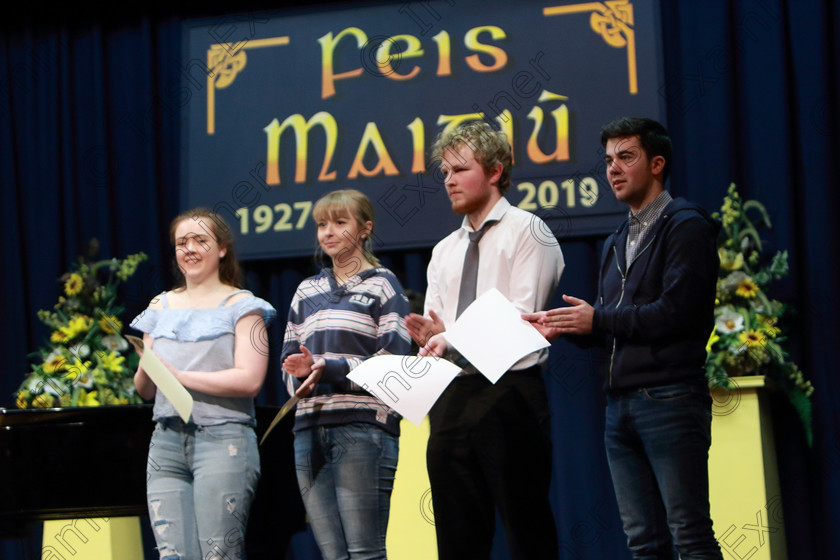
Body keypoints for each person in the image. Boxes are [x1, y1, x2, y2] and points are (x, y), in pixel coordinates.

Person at [523, 117, 724, 559]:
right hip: (619, 406)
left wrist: (598, 321)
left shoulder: (686, 225)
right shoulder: (616, 239)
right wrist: (569, 327)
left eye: (626, 157)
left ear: (657, 163)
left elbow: (677, 313)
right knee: (642, 541)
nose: (613, 169)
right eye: (609, 160)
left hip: (670, 397)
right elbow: (612, 326)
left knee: (689, 533)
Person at [407, 121, 564, 560]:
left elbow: (523, 316)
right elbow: (443, 328)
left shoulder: (528, 231)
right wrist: (434, 337)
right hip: (454, 394)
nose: (449, 181)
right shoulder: (444, 250)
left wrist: (450, 336)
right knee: (457, 535)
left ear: (495, 171)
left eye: (460, 169)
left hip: (511, 394)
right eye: (444, 173)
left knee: (525, 525)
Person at [131, 207, 276, 559]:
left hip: (223, 439)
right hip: (165, 441)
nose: (190, 249)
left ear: (222, 248)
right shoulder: (159, 306)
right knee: (173, 554)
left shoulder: (244, 307)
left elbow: (250, 379)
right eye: (182, 243)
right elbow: (145, 389)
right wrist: (146, 363)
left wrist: (180, 377)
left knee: (218, 554)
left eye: (200, 241)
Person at [281, 189, 411, 560]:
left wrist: (330, 369)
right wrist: (302, 374)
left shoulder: (383, 284)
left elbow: (393, 365)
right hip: (308, 429)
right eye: (322, 224)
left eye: (340, 222)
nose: (328, 232)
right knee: (334, 556)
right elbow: (289, 358)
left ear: (365, 228)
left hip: (362, 429)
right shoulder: (306, 290)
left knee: (365, 553)